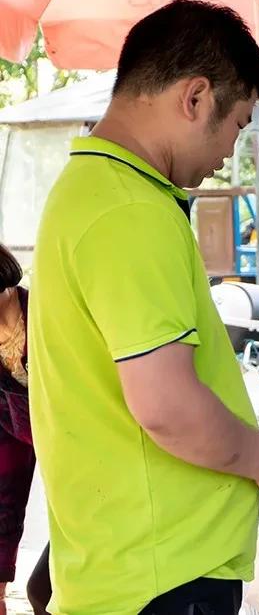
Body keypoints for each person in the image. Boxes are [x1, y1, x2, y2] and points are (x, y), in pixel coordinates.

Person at [28, 0, 259, 615]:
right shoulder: (130, 210)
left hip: (136, 561)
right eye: (236, 126)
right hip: (161, 577)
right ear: (195, 98)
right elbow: (166, 406)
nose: (227, 153)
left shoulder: (94, 189)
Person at [0, 245, 50, 615]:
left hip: (99, 452)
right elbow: (7, 484)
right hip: (28, 440)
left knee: (44, 593)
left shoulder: (48, 316)